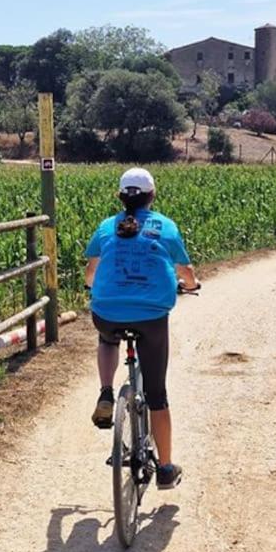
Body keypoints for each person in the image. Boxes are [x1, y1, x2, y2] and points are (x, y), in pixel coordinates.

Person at [84, 167, 199, 490]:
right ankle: (165, 468)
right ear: (153, 196)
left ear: (120, 196)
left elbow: (91, 272)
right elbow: (186, 271)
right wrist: (190, 284)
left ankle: (106, 392)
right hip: (150, 317)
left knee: (107, 339)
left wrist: (91, 286)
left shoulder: (107, 227)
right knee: (157, 394)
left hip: (106, 310)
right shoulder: (165, 226)